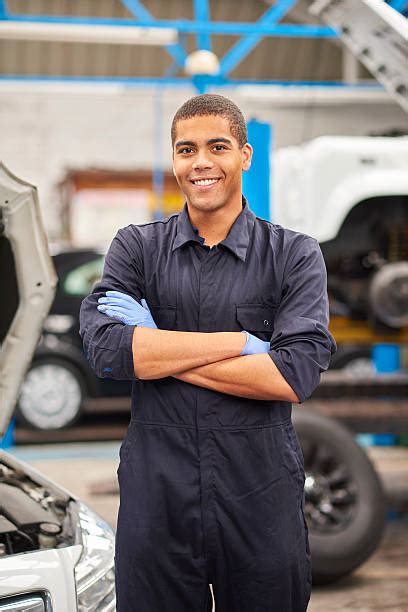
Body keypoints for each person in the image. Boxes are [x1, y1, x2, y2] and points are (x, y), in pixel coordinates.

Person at [79, 93, 337, 612]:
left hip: (259, 495)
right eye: (185, 149)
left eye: (217, 146)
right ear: (173, 159)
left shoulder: (294, 255)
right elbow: (108, 352)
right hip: (158, 498)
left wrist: (159, 349)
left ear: (244, 155)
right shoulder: (136, 249)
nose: (200, 162)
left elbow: (293, 375)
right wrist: (241, 344)